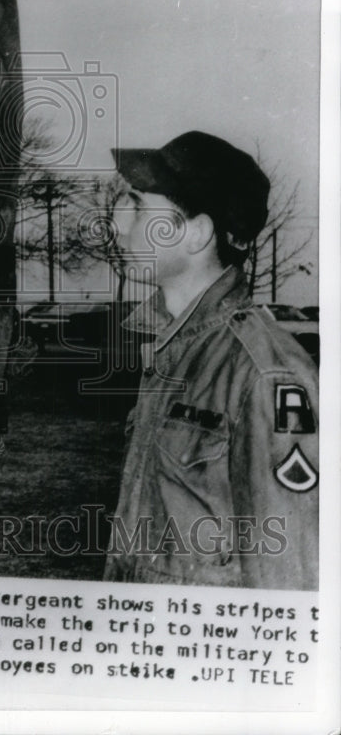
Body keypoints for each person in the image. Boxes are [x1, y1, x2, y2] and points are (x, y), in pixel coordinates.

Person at [104, 130, 318, 590]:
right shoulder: (173, 351)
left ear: (197, 232)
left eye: (138, 207)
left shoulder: (264, 373)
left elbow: (289, 579)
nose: (118, 226)